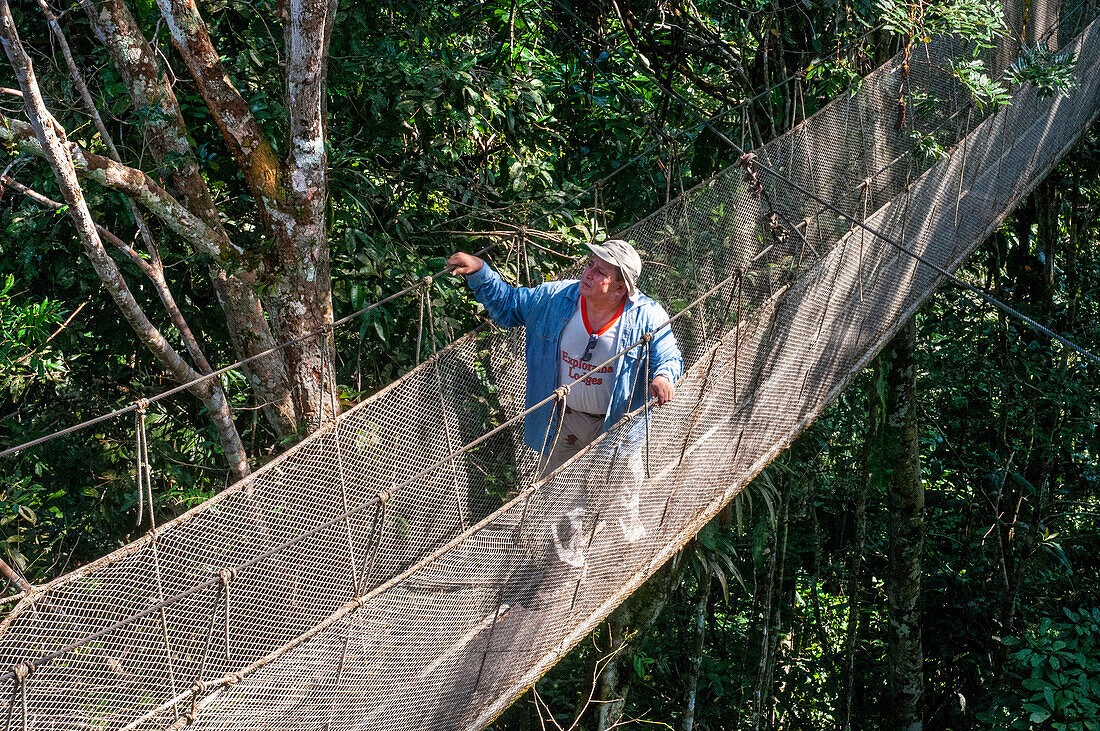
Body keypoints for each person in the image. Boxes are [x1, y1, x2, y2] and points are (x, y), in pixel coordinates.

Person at [448, 239, 683, 476]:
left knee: (616, 507)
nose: (588, 273)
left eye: (600, 271)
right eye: (590, 264)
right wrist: (480, 270)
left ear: (621, 288)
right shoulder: (554, 298)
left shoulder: (647, 316)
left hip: (618, 429)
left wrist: (663, 377)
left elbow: (669, 358)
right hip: (563, 422)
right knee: (555, 503)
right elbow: (509, 306)